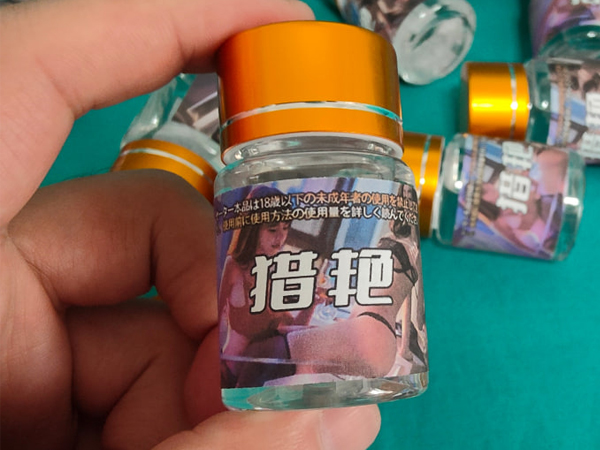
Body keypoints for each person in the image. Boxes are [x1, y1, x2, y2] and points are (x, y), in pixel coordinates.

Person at [0, 1, 382, 449]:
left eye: (283, 231)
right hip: (248, 369)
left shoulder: (278, 264)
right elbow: (248, 327)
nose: (280, 238)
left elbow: (285, 324)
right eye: (273, 230)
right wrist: (293, 310)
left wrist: (308, 302)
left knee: (351, 342)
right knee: (340, 346)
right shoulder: (237, 269)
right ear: (254, 230)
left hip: (270, 360)